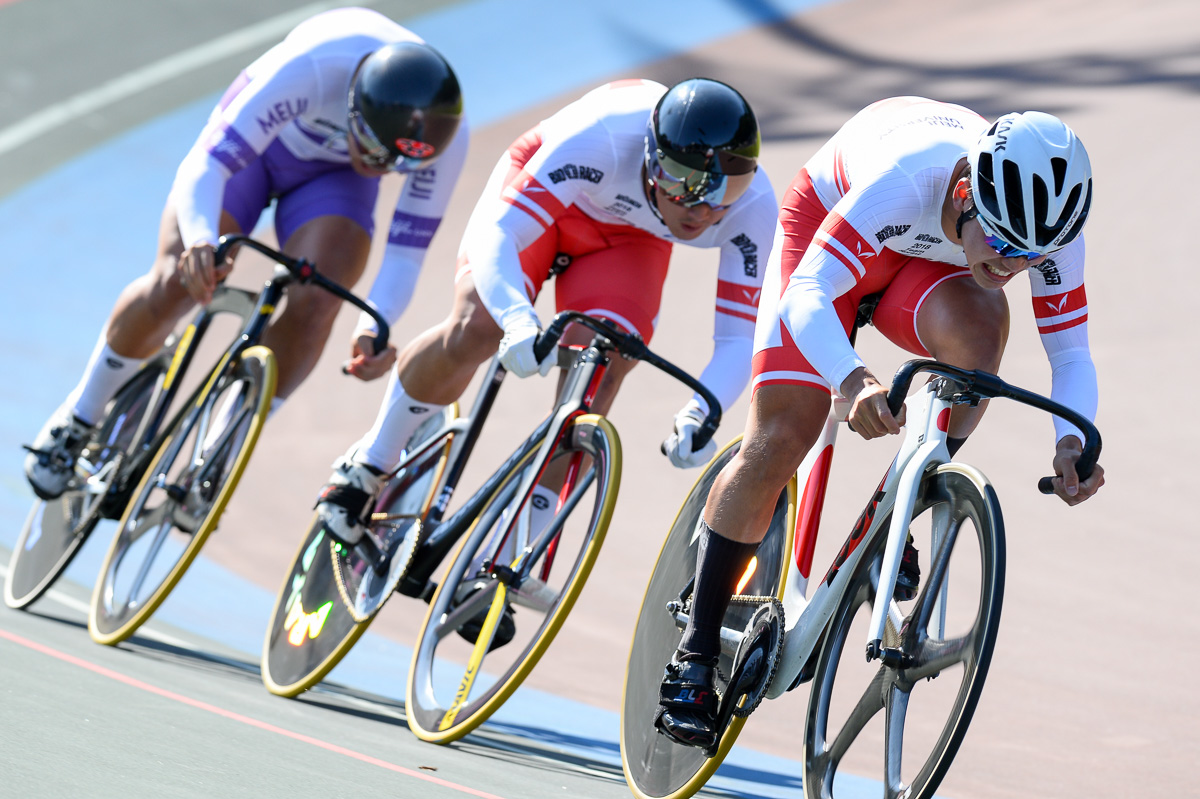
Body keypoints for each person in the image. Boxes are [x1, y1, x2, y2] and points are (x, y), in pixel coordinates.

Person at [653, 96, 1106, 750]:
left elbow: (1071, 353)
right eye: (1003, 241)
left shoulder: (1046, 230)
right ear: (961, 191)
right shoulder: (908, 176)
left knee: (982, 342)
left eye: (1031, 257)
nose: (1012, 265)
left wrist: (1072, 441)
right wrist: (852, 377)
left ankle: (900, 508)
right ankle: (693, 654)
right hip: (827, 235)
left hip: (923, 265)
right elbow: (809, 293)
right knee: (784, 434)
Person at [312, 77, 777, 575]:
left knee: (601, 366)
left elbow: (740, 336)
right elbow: (502, 233)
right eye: (685, 184)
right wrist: (515, 321)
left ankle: (513, 550)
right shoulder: (601, 136)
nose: (704, 209)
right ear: (651, 155)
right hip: (543, 196)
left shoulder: (751, 208)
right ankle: (369, 464)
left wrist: (699, 412)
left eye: (728, 192)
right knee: (478, 325)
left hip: (628, 241)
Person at [22, 7, 467, 501]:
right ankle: (80, 415)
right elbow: (207, 166)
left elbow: (406, 255)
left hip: (332, 181)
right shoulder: (314, 68)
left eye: (397, 166)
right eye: (377, 153)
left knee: (319, 300)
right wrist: (199, 241)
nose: (383, 170)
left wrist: (374, 326)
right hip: (260, 149)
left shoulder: (444, 139)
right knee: (177, 278)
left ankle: (224, 445)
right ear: (354, 109)